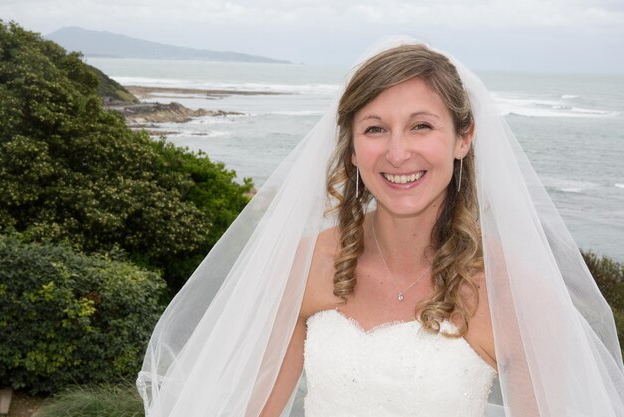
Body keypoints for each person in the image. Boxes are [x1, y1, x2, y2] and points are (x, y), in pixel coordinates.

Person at [137, 38, 624, 417]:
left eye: (421, 126)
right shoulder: (307, 264)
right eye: (374, 129)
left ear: (463, 138)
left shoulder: (511, 289)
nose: (396, 153)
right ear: (351, 147)